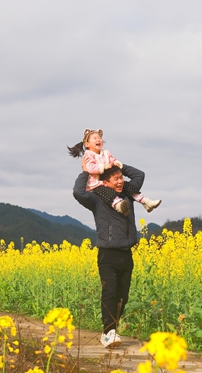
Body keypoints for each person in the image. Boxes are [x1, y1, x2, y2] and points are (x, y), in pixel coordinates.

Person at [73, 163, 144, 348]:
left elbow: (139, 175)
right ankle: (108, 332)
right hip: (108, 254)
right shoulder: (97, 199)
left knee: (122, 296)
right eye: (116, 179)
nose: (120, 181)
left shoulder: (127, 194)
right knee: (110, 292)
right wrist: (88, 171)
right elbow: (78, 192)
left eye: (121, 178)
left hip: (126, 254)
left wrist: (119, 165)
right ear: (105, 183)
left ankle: (111, 330)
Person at [68, 129, 161, 216]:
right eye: (95, 138)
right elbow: (90, 168)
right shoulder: (88, 155)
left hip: (108, 181)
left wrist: (117, 164)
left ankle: (145, 202)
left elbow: (113, 160)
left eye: (99, 138)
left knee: (128, 186)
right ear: (87, 144)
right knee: (106, 192)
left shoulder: (106, 153)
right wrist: (103, 167)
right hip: (96, 184)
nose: (98, 140)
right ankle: (119, 205)